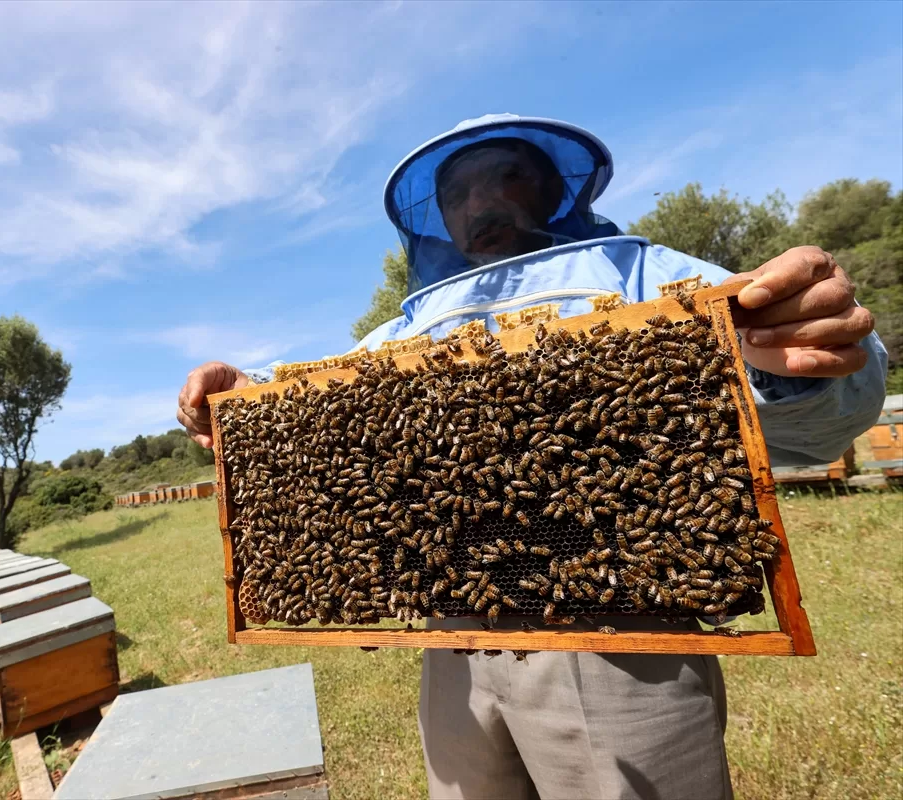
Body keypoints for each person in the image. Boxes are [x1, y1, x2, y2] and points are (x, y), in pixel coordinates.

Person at [176, 114, 887, 799]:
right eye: (457, 193)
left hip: (619, 630)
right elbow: (322, 404)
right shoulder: (413, 327)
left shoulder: (638, 276)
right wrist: (251, 400)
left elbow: (814, 402)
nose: (480, 202)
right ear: (438, 218)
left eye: (505, 176)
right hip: (452, 632)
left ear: (552, 189)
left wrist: (801, 351)